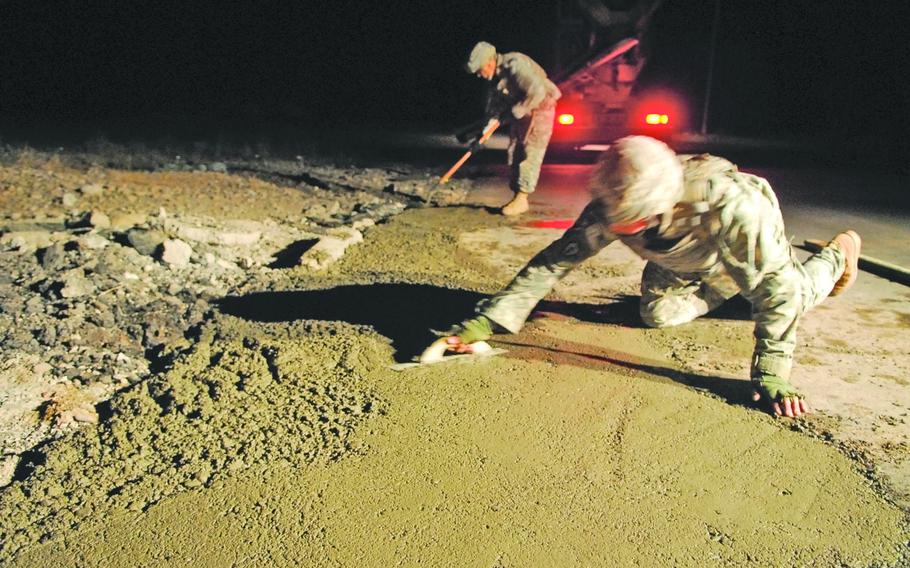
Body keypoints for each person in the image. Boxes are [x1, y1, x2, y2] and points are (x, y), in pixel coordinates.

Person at [430, 136, 862, 418]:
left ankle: (836, 258)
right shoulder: (616, 197)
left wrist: (771, 371)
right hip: (680, 261)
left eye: (627, 223)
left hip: (736, 249)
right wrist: (487, 321)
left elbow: (778, 295)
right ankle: (730, 291)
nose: (615, 230)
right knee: (657, 315)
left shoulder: (735, 207)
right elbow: (554, 261)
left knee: (787, 294)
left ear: (657, 208)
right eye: (614, 220)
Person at [465, 41, 562, 216]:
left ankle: (522, 198)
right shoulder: (495, 79)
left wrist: (518, 110)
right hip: (524, 113)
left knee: (530, 153)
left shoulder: (515, 65)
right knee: (516, 151)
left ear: (489, 63)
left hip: (540, 110)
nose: (479, 75)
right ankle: (517, 195)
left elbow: (537, 91)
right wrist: (482, 137)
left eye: (479, 70)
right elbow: (495, 111)